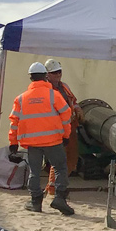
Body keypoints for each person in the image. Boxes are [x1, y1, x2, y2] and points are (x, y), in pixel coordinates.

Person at [8, 62, 74, 215]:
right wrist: (66, 135)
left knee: (35, 172)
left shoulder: (21, 99)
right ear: (45, 76)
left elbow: (14, 122)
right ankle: (59, 198)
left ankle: (35, 202)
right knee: (60, 168)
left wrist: (13, 143)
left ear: (30, 78)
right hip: (54, 141)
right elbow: (66, 115)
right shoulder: (54, 95)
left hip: (32, 143)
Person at [42, 59, 82, 198]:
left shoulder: (64, 86)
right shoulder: (46, 90)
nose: (58, 74)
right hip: (56, 129)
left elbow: (73, 101)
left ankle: (60, 184)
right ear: (47, 74)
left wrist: (77, 109)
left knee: (71, 158)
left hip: (69, 127)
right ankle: (53, 188)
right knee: (59, 159)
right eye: (55, 72)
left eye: (59, 71)